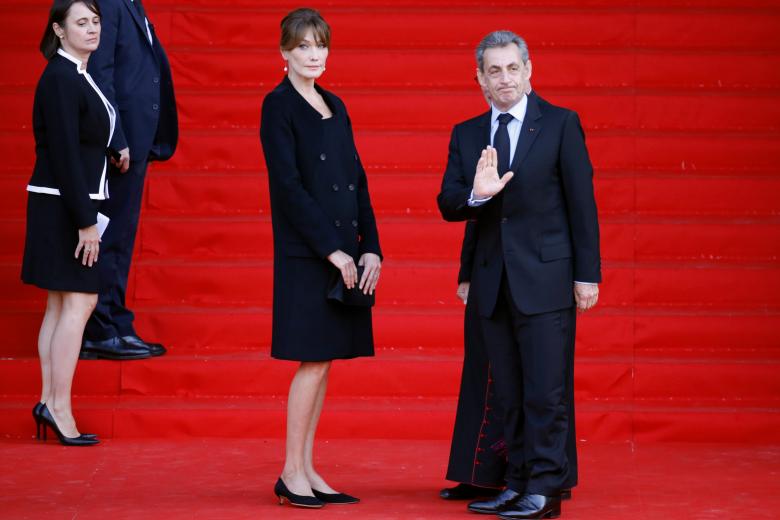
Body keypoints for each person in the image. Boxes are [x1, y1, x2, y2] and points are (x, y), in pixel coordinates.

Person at [437, 30, 600, 519]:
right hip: (493, 283)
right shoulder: (467, 133)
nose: (503, 78)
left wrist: (587, 275)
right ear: (480, 80)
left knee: (545, 391)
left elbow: (582, 205)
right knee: (507, 390)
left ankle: (546, 489)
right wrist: (478, 193)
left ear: (529, 70)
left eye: (512, 68)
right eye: (493, 71)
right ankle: (517, 481)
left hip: (548, 279)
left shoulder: (560, 125)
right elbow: (449, 204)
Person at [259, 8, 382, 509]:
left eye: (321, 45)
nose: (314, 55)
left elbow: (358, 179)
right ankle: (290, 471)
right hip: (309, 254)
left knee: (325, 361)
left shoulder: (336, 104)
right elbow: (287, 188)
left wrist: (370, 244)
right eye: (304, 46)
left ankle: (308, 467)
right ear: (284, 52)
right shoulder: (278, 106)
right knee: (311, 361)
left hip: (345, 252)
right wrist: (331, 249)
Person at [22, 0, 116, 446]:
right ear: (59, 30)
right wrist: (84, 223)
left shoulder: (76, 73)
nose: (92, 28)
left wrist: (113, 151)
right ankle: (59, 408)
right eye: (81, 22)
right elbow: (60, 151)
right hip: (66, 207)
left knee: (61, 306)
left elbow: (81, 139)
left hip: (62, 201)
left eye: (96, 21)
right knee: (79, 305)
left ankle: (49, 401)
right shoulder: (61, 77)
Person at [80, 0, 178, 360]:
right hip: (118, 146)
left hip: (135, 142)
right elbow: (100, 72)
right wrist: (116, 137)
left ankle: (115, 322)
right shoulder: (108, 4)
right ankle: (99, 330)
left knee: (120, 238)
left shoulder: (129, 4)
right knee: (112, 236)